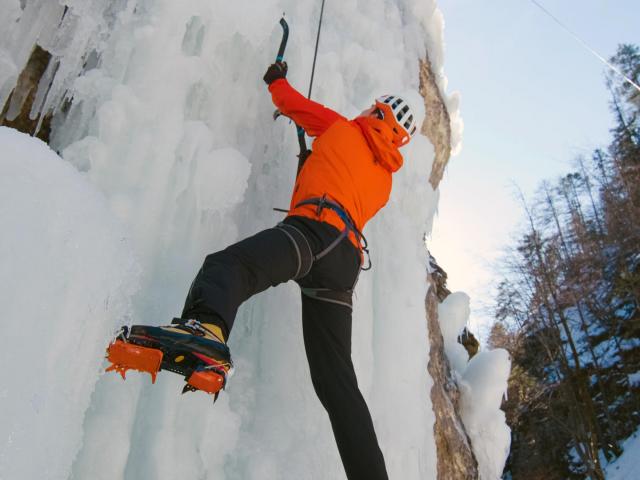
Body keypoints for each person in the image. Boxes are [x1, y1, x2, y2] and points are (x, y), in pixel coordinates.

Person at [107, 61, 418, 480]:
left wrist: (276, 79)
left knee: (227, 267)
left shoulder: (341, 128)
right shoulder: (386, 178)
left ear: (376, 113)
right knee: (336, 384)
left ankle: (205, 335)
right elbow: (345, 181)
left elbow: (293, 104)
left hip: (311, 233)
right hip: (343, 264)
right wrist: (313, 164)